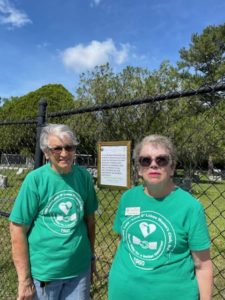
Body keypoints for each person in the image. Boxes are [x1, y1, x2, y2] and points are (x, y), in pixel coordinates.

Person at [108, 134, 213, 300]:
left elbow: (203, 266)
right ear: (139, 168)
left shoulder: (190, 207)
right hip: (122, 292)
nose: (153, 165)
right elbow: (123, 242)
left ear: (172, 167)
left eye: (161, 160)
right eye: (145, 161)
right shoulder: (128, 198)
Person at [9, 124, 98, 300]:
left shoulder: (84, 177)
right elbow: (17, 229)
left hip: (79, 271)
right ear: (46, 153)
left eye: (69, 147)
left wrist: (91, 257)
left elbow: (90, 220)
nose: (64, 153)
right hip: (45, 274)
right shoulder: (35, 180)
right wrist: (24, 280)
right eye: (57, 148)